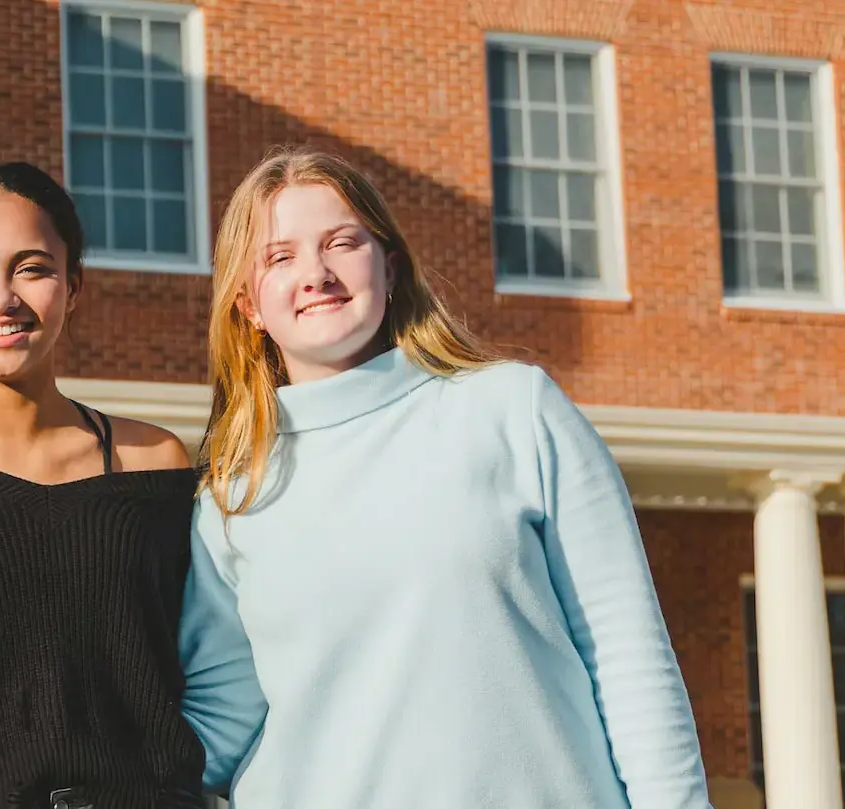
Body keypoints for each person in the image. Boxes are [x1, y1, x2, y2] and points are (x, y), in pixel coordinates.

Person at [178, 149, 709, 808]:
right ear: (248, 304)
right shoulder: (231, 497)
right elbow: (221, 723)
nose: (316, 273)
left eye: (342, 243)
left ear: (390, 266)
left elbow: (628, 655)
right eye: (280, 257)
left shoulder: (514, 409)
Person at [0, 162, 211, 809]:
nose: (1, 297)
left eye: (32, 268)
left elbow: (206, 667)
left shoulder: (154, 464)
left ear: (73, 285)